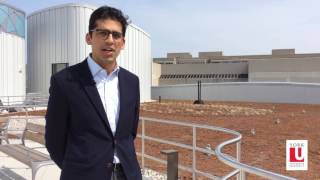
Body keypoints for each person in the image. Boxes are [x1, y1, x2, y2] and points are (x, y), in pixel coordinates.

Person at [45, 6, 141, 180]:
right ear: (89, 38)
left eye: (116, 35)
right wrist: (78, 169)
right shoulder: (65, 81)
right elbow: (54, 140)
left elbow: (129, 134)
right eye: (102, 33)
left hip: (127, 174)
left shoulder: (131, 82)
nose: (110, 40)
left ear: (123, 42)